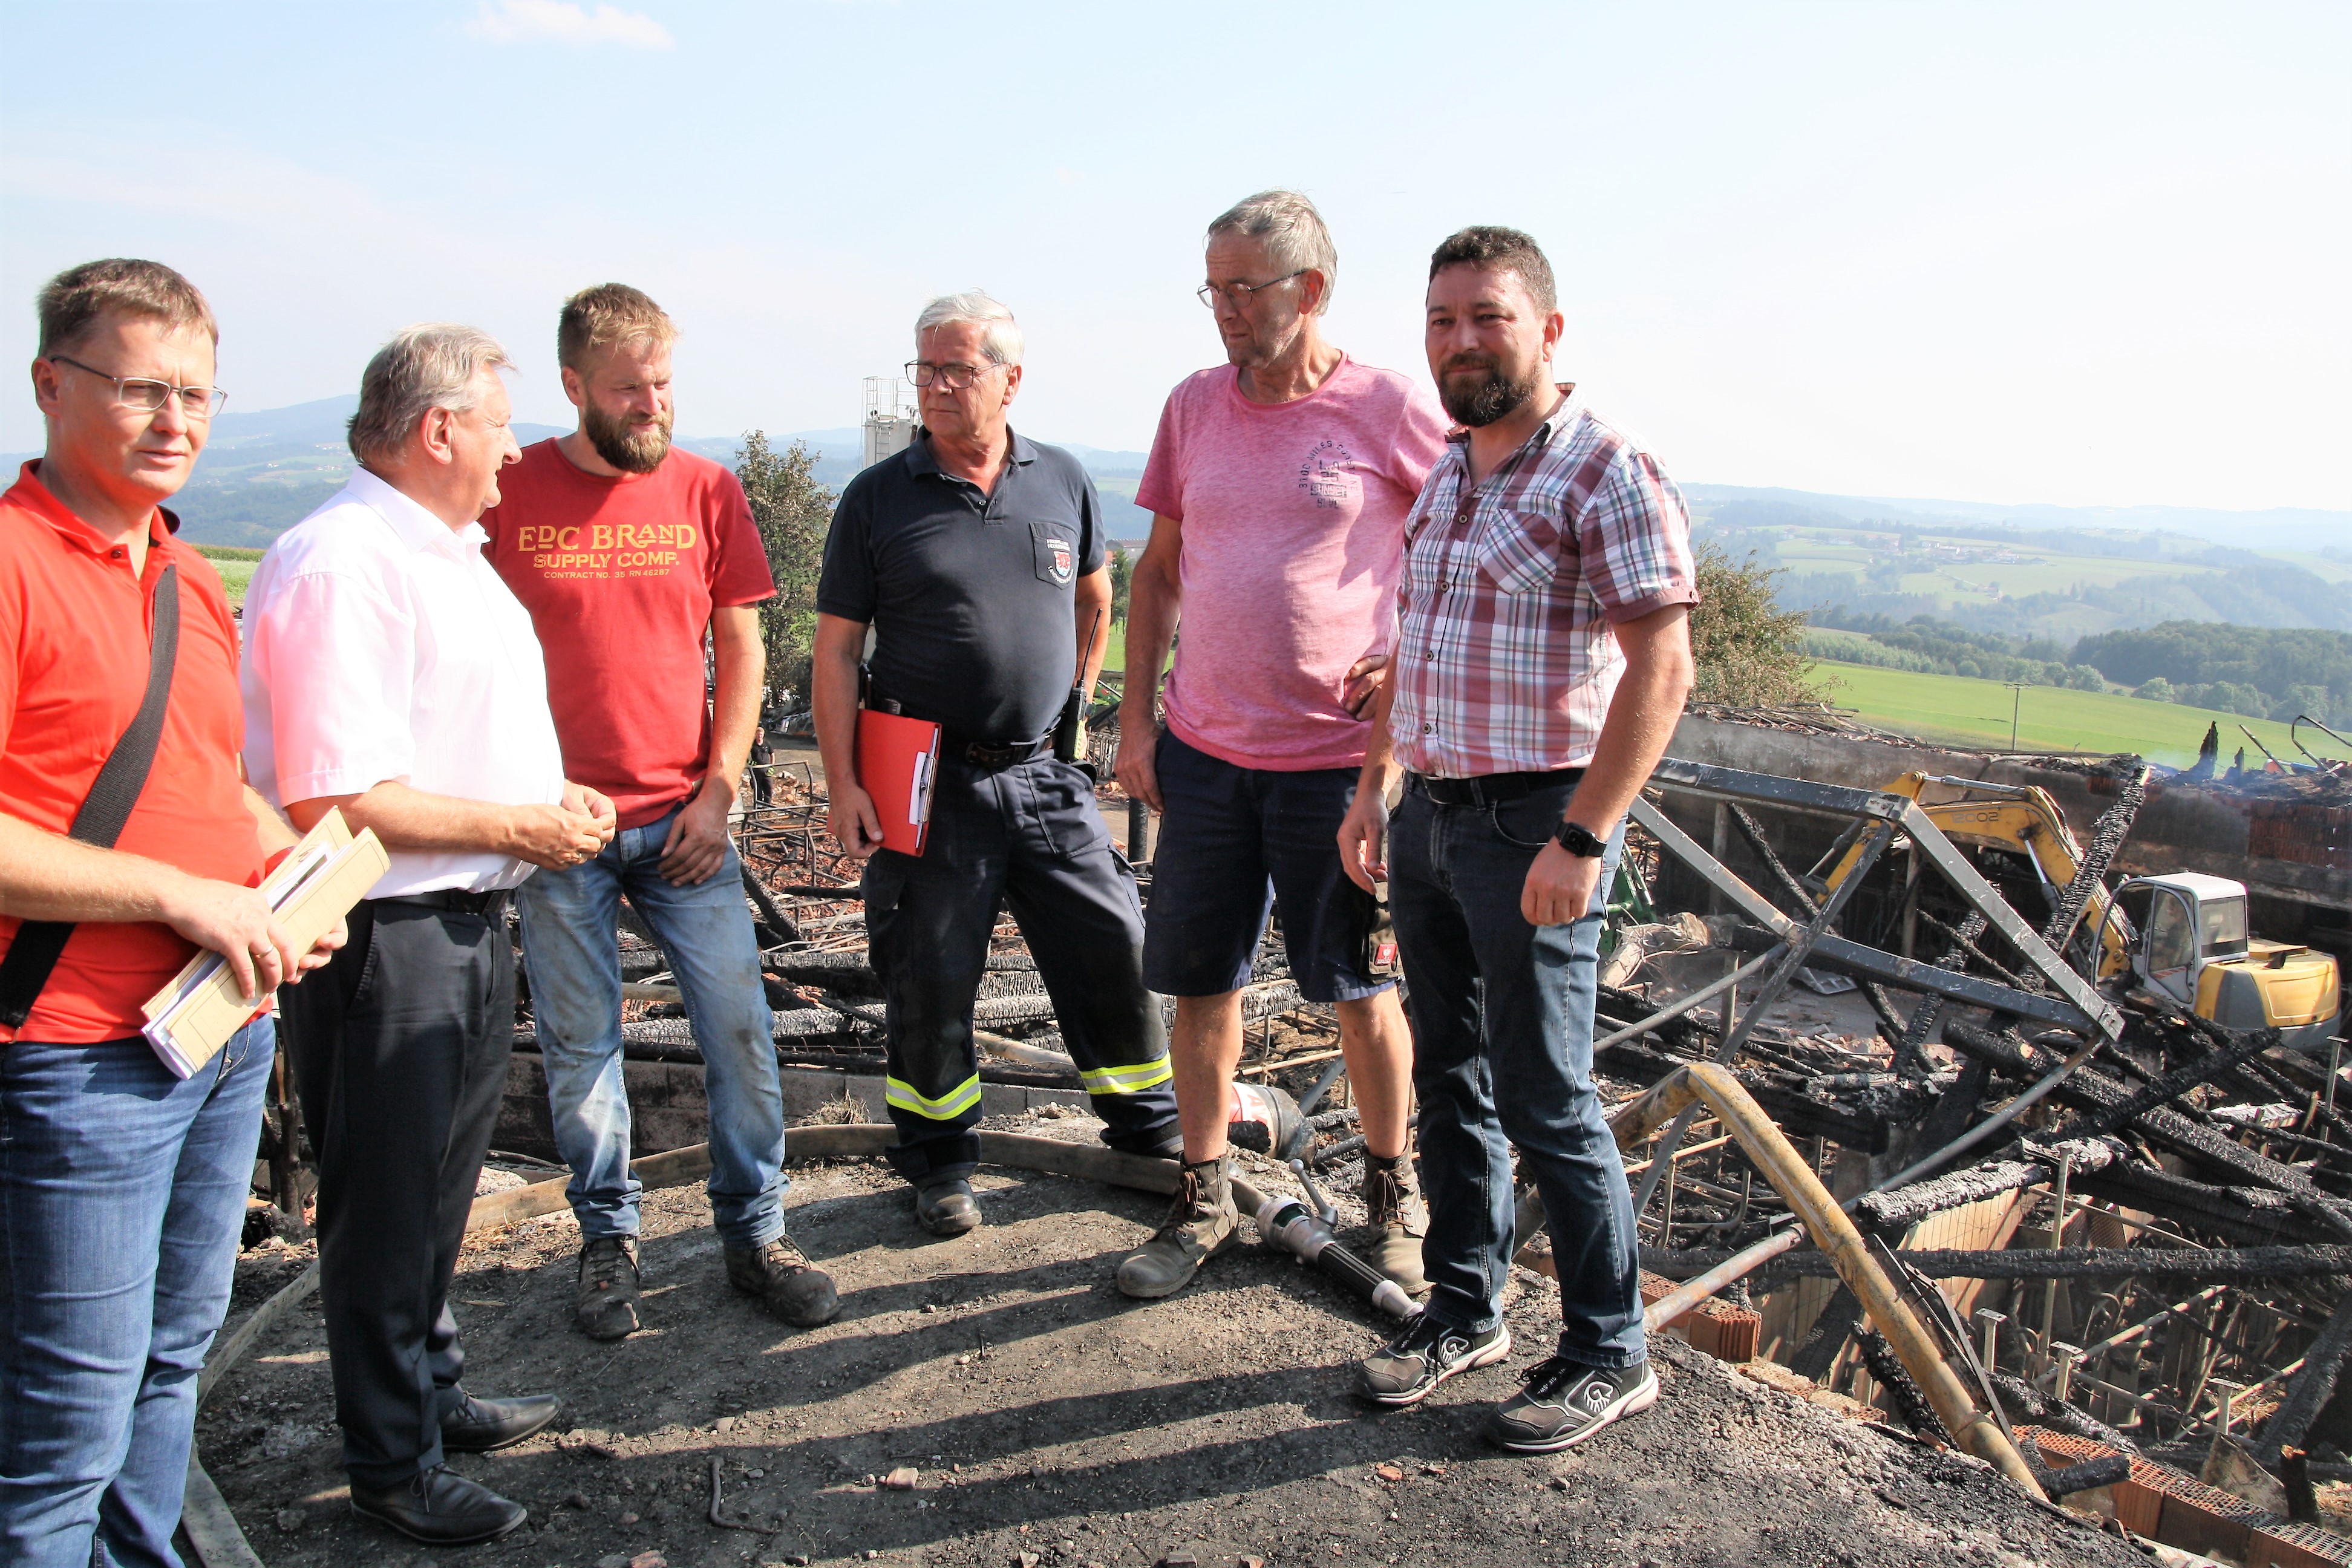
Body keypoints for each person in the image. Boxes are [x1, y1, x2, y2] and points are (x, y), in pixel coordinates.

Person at [244, 324, 615, 1546]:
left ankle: (431, 1396)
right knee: (388, 1204)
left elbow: (449, 739)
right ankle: (390, 1468)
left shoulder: (439, 551)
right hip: (384, 936)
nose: (516, 449)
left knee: (438, 1194)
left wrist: (546, 813)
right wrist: (523, 822)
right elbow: (332, 799)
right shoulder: (344, 562)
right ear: (440, 429)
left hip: (462, 915)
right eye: (501, 423)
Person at [0, 259, 341, 1568]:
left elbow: (216, 788)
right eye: (141, 389)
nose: (176, 420)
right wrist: (177, 896)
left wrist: (291, 884)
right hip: (79, 1060)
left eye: (196, 393)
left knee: (166, 1373)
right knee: (61, 1436)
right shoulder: (19, 568)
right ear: (50, 386)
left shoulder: (183, 579)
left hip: (214, 1032)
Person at [1337, 227, 1698, 1452]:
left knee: (1549, 1096)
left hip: (1539, 821)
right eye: (1441, 320)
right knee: (1452, 1081)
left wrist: (1584, 841)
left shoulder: (1605, 469)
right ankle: (1464, 1309)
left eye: (1486, 316)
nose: (1460, 341)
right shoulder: (1450, 471)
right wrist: (1372, 790)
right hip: (1435, 817)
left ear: (1549, 329)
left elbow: (1665, 665)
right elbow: (1411, 650)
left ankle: (1610, 1351)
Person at [481, 284, 836, 1342]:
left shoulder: (706, 490)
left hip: (687, 820)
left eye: (665, 384)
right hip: (559, 830)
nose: (652, 405)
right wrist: (521, 794)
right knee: (583, 1044)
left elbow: (741, 649)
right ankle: (609, 1243)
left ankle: (757, 1234)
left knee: (741, 1035)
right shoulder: (509, 492)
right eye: (630, 387)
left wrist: (720, 794)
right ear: (573, 386)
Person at [1113, 192, 1449, 1300]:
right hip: (1208, 755)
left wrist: (1413, 672)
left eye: (1243, 287)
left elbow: (1465, 543)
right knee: (1200, 988)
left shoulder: (1388, 405)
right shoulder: (1194, 407)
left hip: (1335, 771)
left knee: (1357, 989)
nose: (1222, 309)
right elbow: (1157, 573)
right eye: (1211, 287)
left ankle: (1396, 1200)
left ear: (1310, 291)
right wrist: (1134, 718)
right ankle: (1202, 1194)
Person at [813, 290, 1180, 1233]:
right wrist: (847, 782)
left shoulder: (1062, 479)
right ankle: (939, 1164)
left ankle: (1147, 1131)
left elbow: (1098, 598)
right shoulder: (877, 499)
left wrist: (1075, 719)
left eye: (955, 371)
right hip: (927, 780)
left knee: (1112, 948)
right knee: (930, 972)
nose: (932, 388)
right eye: (923, 369)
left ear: (1010, 380)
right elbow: (835, 652)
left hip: (1045, 777)